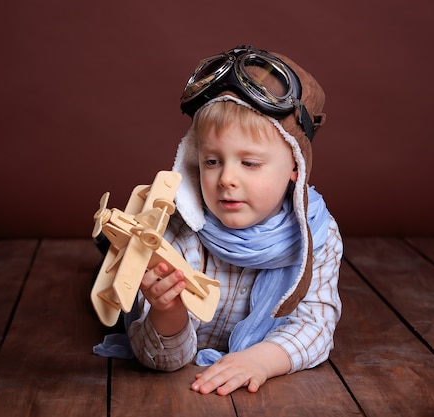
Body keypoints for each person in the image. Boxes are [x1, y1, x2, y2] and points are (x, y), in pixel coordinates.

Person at [97, 45, 342, 396]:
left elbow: (316, 325)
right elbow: (161, 359)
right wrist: (167, 312)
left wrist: (263, 359)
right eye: (212, 161)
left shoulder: (319, 234)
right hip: (173, 330)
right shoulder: (179, 228)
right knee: (124, 272)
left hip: (258, 352)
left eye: (250, 163)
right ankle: (110, 253)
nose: (226, 179)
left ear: (295, 167)